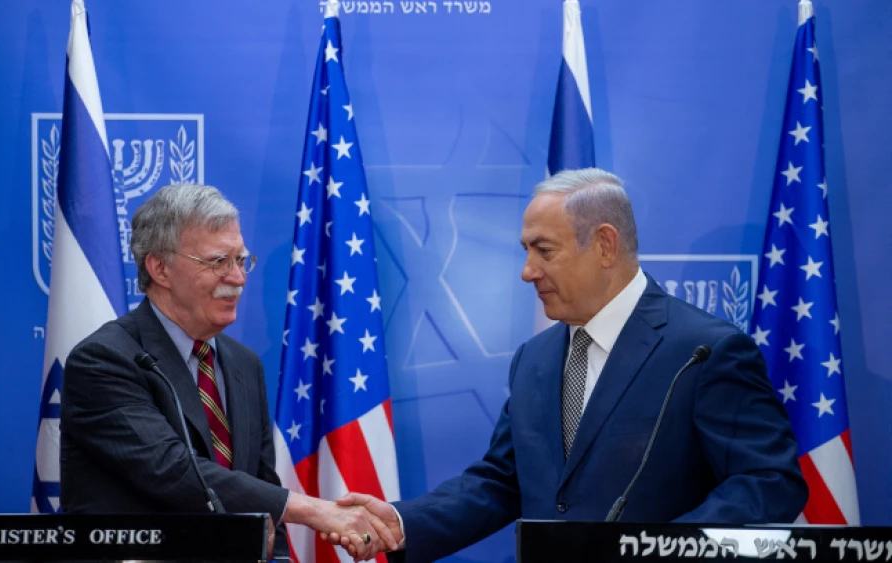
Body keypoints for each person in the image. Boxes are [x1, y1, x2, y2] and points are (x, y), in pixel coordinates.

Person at [329, 168, 808, 563]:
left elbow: (769, 482)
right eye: (526, 251)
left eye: (544, 250)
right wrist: (401, 522)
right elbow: (501, 481)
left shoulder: (704, 351)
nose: (527, 270)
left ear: (604, 245)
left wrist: (661, 551)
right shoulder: (534, 360)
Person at [60, 184, 392, 560]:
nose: (237, 278)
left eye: (241, 260)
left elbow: (264, 495)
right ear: (159, 268)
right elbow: (172, 470)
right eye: (218, 261)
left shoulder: (242, 364)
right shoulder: (105, 359)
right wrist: (316, 510)